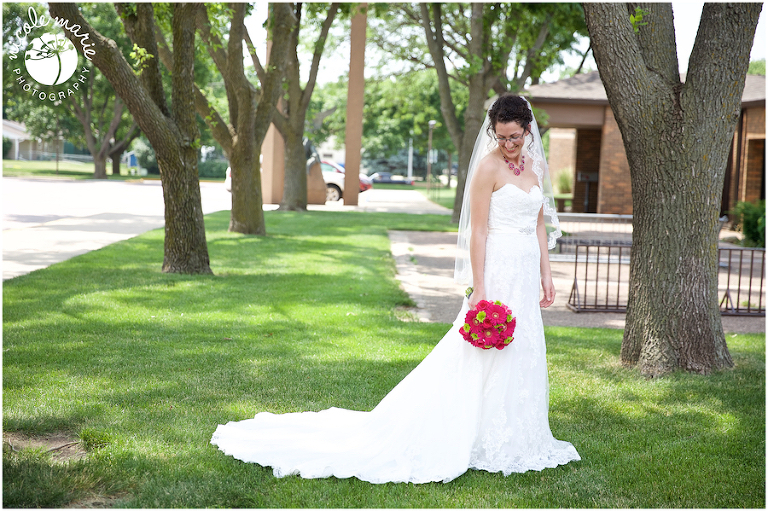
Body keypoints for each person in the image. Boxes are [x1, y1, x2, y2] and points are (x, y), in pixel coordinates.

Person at [211, 94, 580, 484]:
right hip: (498, 268)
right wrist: (481, 289)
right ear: (494, 133)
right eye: (502, 137)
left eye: (515, 137)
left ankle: (520, 434)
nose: (508, 145)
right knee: (481, 351)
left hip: (525, 270)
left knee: (524, 346)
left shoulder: (536, 168)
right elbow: (479, 232)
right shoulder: (487, 169)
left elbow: (539, 224)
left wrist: (546, 272)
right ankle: (475, 431)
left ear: (527, 130)